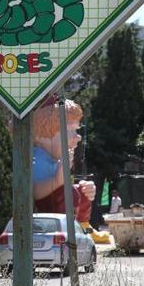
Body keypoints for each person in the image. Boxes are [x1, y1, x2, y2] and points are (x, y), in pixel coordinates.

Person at [31, 95, 111, 244]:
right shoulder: (38, 159)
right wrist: (57, 180)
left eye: (77, 130)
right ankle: (68, 231)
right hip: (44, 214)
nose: (78, 137)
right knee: (71, 193)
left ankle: (84, 228)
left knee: (82, 189)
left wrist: (82, 188)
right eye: (70, 130)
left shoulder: (56, 158)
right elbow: (34, 192)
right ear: (42, 135)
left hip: (56, 204)